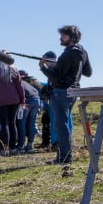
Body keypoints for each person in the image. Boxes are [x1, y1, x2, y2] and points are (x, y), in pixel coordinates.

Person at [39, 25, 91, 165]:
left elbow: (55, 78)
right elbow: (88, 72)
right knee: (64, 124)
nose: (60, 38)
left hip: (61, 91)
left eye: (63, 35)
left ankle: (65, 158)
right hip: (74, 91)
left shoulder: (67, 53)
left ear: (72, 37)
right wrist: (67, 66)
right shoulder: (82, 52)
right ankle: (64, 156)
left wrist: (42, 67)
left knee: (60, 125)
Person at [0, 51, 25, 155]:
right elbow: (20, 86)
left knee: (4, 125)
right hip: (14, 100)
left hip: (0, 101)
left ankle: (5, 148)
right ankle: (13, 148)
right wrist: (22, 100)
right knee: (12, 123)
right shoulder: (14, 70)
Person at [17, 70, 42, 153]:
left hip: (27, 101)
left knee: (22, 123)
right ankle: (30, 145)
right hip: (37, 101)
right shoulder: (28, 84)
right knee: (31, 123)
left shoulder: (18, 82)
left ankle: (21, 146)